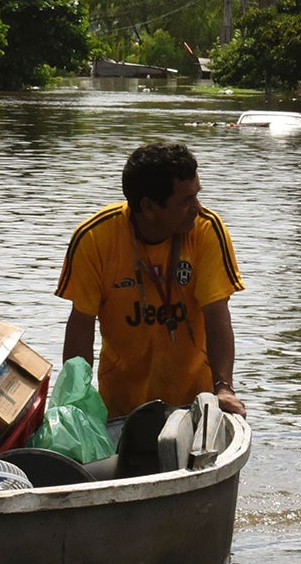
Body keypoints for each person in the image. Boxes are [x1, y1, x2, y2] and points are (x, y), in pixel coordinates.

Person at [57, 141, 246, 418]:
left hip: (195, 404)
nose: (197, 207)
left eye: (196, 195)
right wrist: (77, 399)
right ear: (148, 207)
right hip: (121, 407)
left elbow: (217, 314)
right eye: (185, 201)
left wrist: (224, 388)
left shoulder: (207, 229)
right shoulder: (95, 237)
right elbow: (81, 324)